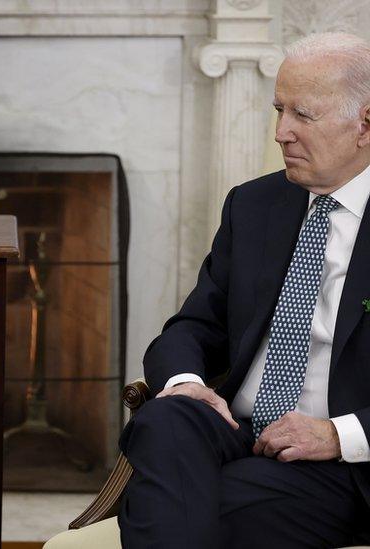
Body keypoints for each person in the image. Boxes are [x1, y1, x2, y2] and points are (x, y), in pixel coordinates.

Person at [118, 31, 370, 548]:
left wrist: (337, 435)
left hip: (339, 459)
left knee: (189, 502)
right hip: (235, 426)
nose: (281, 132)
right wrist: (187, 382)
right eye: (279, 110)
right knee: (165, 417)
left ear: (366, 123)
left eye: (304, 115)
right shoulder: (254, 205)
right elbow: (193, 326)